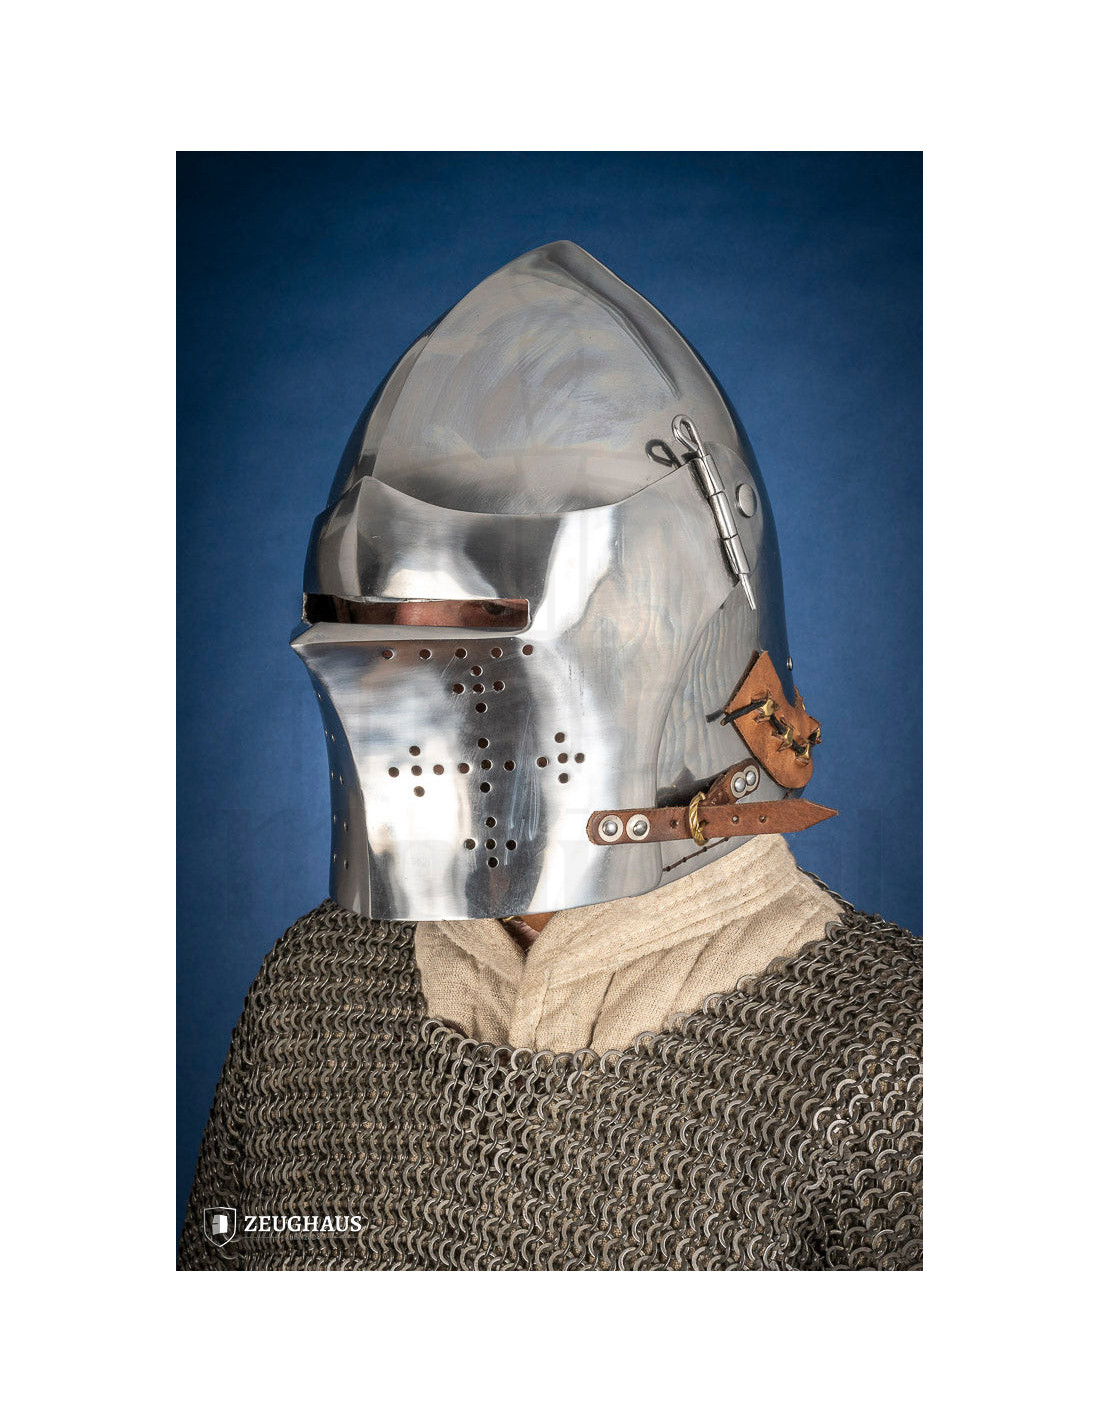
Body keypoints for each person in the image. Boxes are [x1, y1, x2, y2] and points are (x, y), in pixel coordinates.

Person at [178, 242, 921, 1271]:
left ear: (645, 632)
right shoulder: (313, 994)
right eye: (361, 621)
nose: (397, 676)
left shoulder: (892, 1056)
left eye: (471, 626)